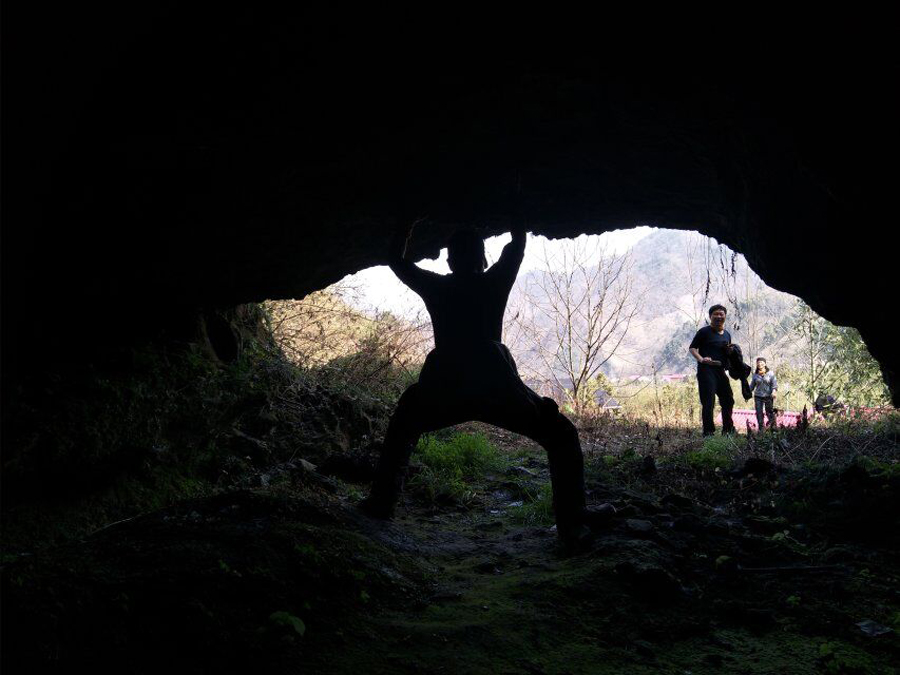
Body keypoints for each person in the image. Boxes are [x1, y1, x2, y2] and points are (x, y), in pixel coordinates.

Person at [360, 221, 612, 546]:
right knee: (561, 433)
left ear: (449, 262)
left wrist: (406, 223)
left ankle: (381, 505)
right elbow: (517, 245)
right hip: (497, 385)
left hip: (445, 385)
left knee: (404, 422)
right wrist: (515, 203)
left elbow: (397, 261)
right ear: (483, 260)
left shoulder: (438, 287)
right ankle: (572, 521)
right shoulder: (494, 282)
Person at [688, 305, 735, 436]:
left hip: (721, 371)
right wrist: (701, 359)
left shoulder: (727, 334)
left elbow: (728, 353)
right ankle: (708, 432)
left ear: (725, 316)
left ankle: (728, 429)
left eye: (721, 314)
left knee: (728, 399)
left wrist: (730, 352)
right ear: (710, 317)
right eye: (716, 314)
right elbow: (692, 348)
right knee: (708, 402)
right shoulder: (704, 332)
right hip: (706, 371)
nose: (719, 317)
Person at [749, 357, 777, 430]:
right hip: (758, 396)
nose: (760, 364)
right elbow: (751, 386)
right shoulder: (755, 375)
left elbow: (774, 384)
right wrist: (746, 392)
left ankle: (772, 428)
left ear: (765, 364)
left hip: (768, 396)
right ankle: (761, 429)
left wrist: (774, 392)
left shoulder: (770, 373)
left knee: (769, 412)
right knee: (759, 413)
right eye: (758, 363)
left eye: (761, 362)